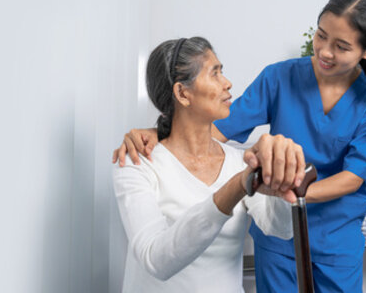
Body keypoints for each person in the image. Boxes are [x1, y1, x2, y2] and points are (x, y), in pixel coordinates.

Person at [112, 0, 366, 293]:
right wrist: (161, 132)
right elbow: (218, 128)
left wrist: (289, 190)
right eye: (320, 35)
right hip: (277, 241)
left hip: (334, 238)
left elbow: (352, 178)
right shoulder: (280, 78)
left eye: (341, 46)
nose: (325, 51)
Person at [113, 37, 308, 293]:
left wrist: (282, 189)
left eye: (222, 71)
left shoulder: (240, 161)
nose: (227, 83)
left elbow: (279, 228)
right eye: (214, 74)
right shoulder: (137, 163)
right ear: (183, 93)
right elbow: (155, 259)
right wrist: (236, 187)